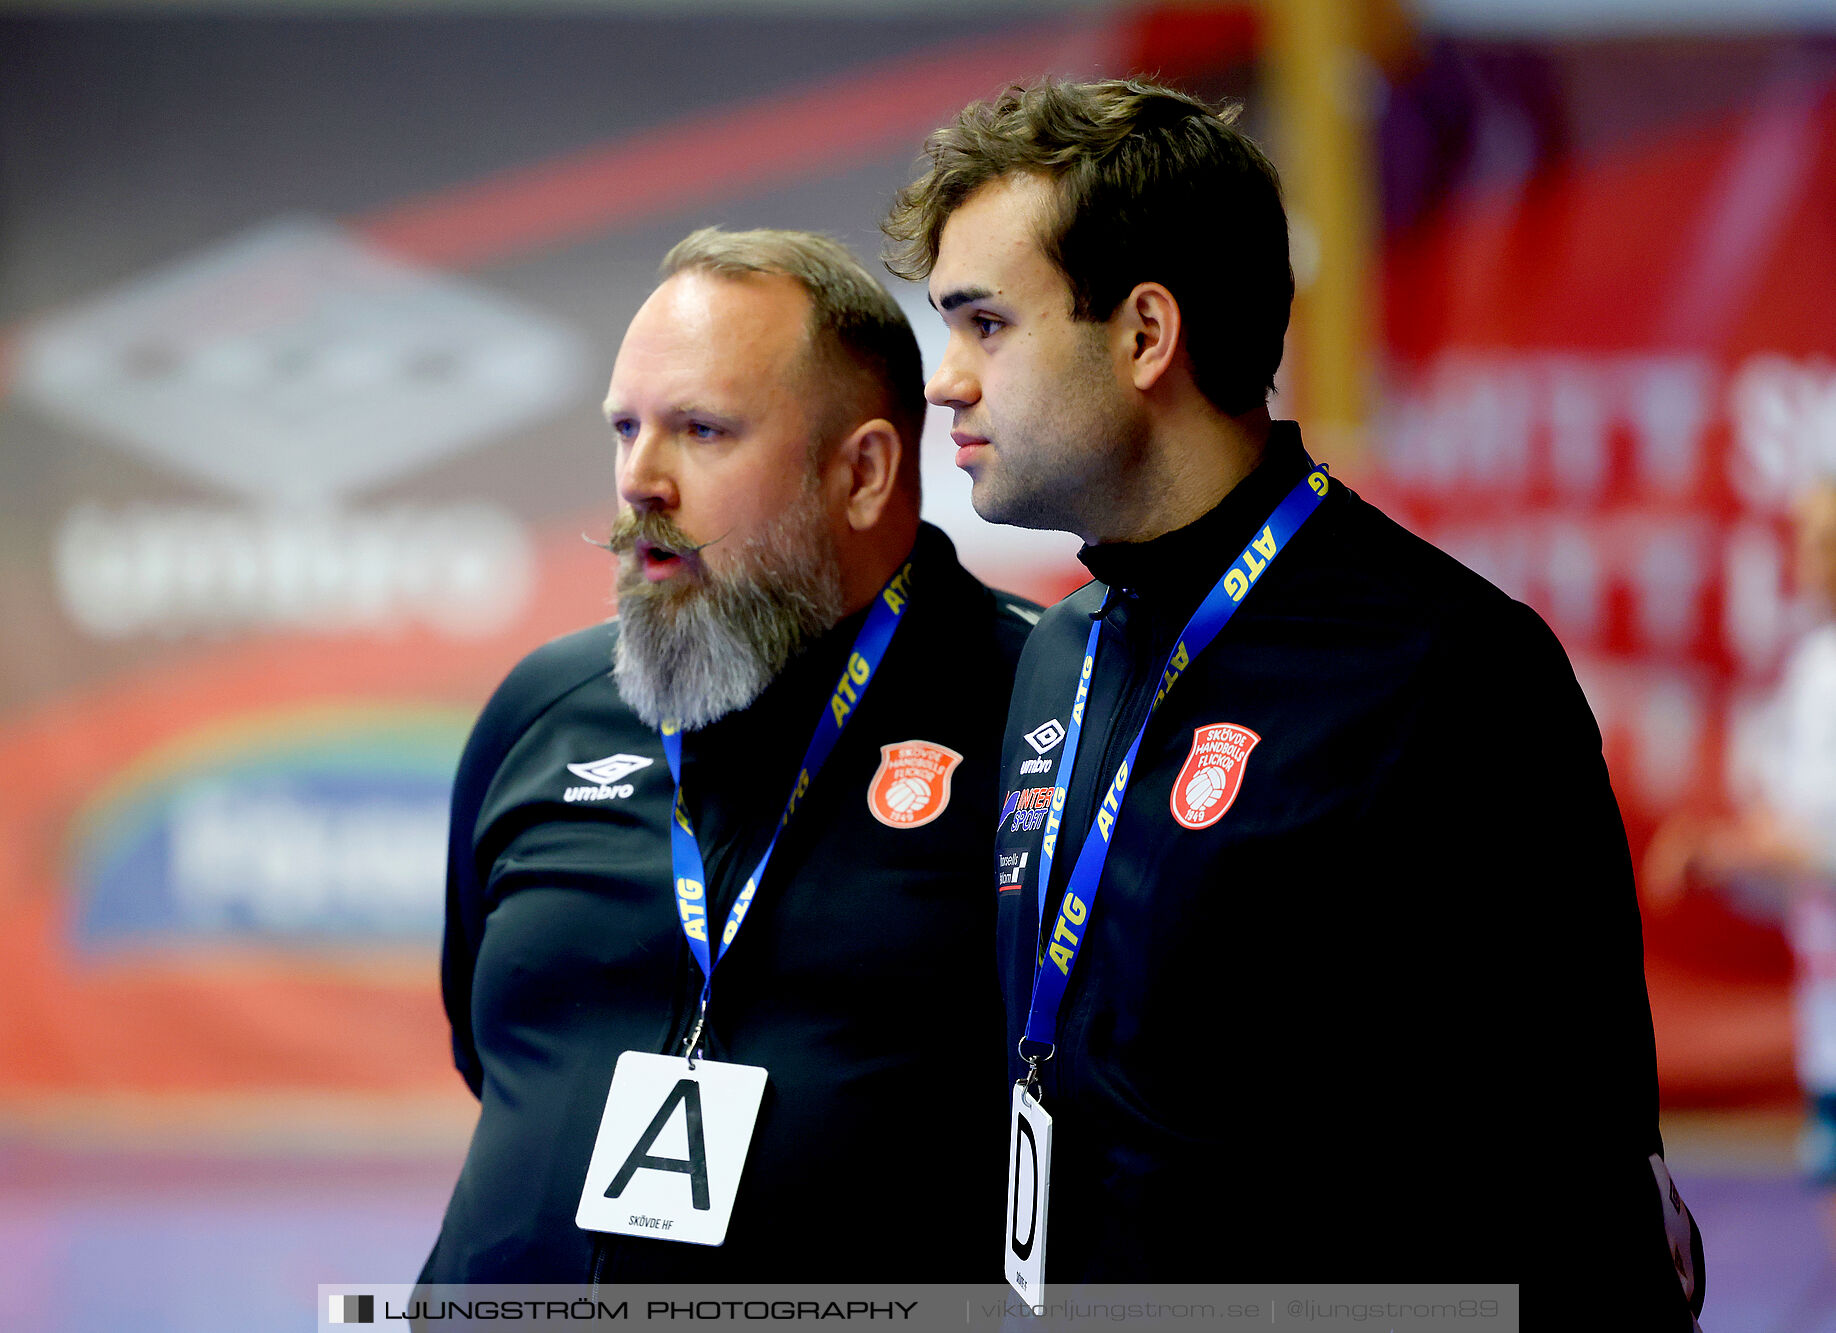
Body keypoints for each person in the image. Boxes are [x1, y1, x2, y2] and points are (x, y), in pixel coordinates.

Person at [885, 78, 1705, 1322]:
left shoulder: (1449, 674)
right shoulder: (1057, 654)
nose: (947, 381)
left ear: (1146, 334)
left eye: (985, 324)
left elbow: (1588, 1204)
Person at [418, 227, 1035, 1285]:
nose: (639, 480)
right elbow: (493, 1059)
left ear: (864, 470)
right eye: (625, 429)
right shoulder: (545, 712)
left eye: (701, 430)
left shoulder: (1034, 714)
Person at [1648, 478, 1836, 1236]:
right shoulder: (1811, 670)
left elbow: (1818, 847)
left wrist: (1717, 852)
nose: (1811, 555)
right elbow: (1796, 848)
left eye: (1826, 539)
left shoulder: (1825, 674)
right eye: (1809, 536)